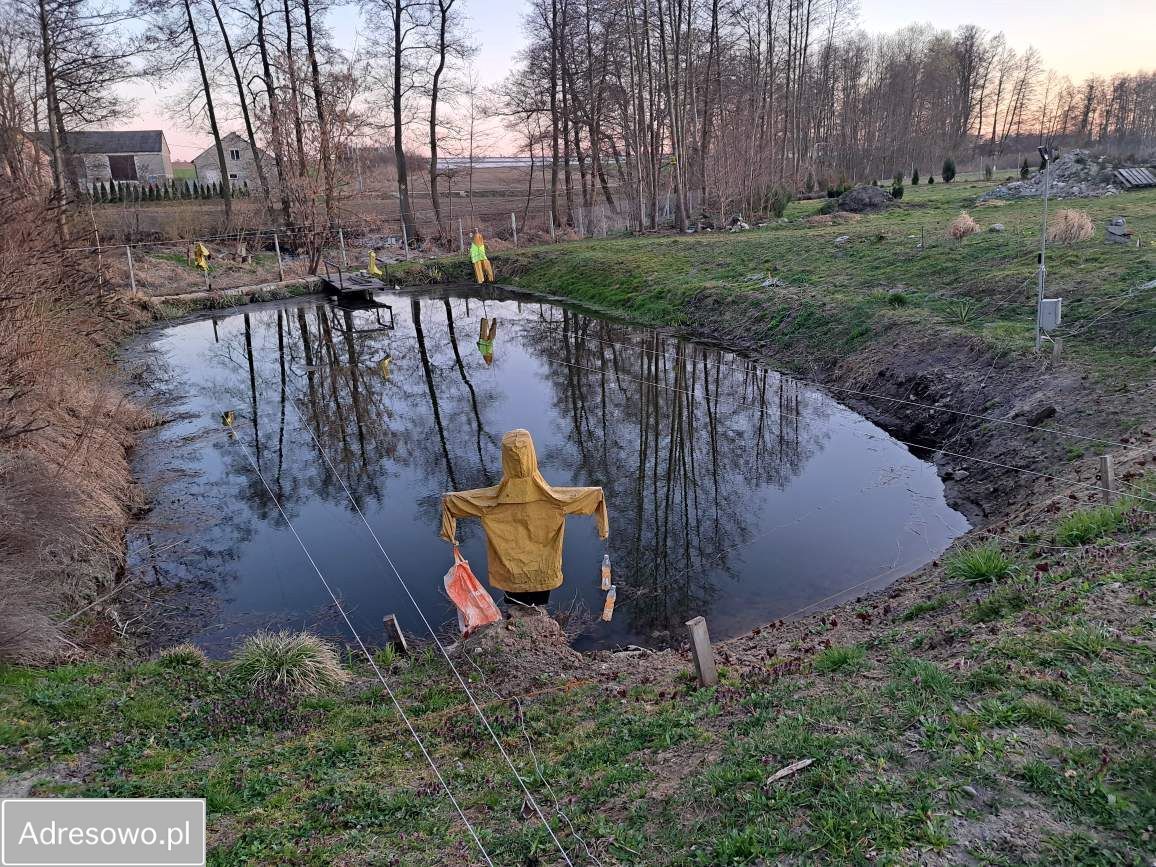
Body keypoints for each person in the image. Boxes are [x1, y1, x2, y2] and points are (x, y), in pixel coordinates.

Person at [440, 429, 608, 608]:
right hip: (543, 572)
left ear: (505, 460)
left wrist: (450, 533)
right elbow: (594, 496)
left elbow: (452, 502)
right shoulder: (555, 500)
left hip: (510, 574)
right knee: (538, 608)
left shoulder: (489, 502)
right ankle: (537, 619)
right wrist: (603, 529)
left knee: (515, 607)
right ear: (532, 456)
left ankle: (518, 619)